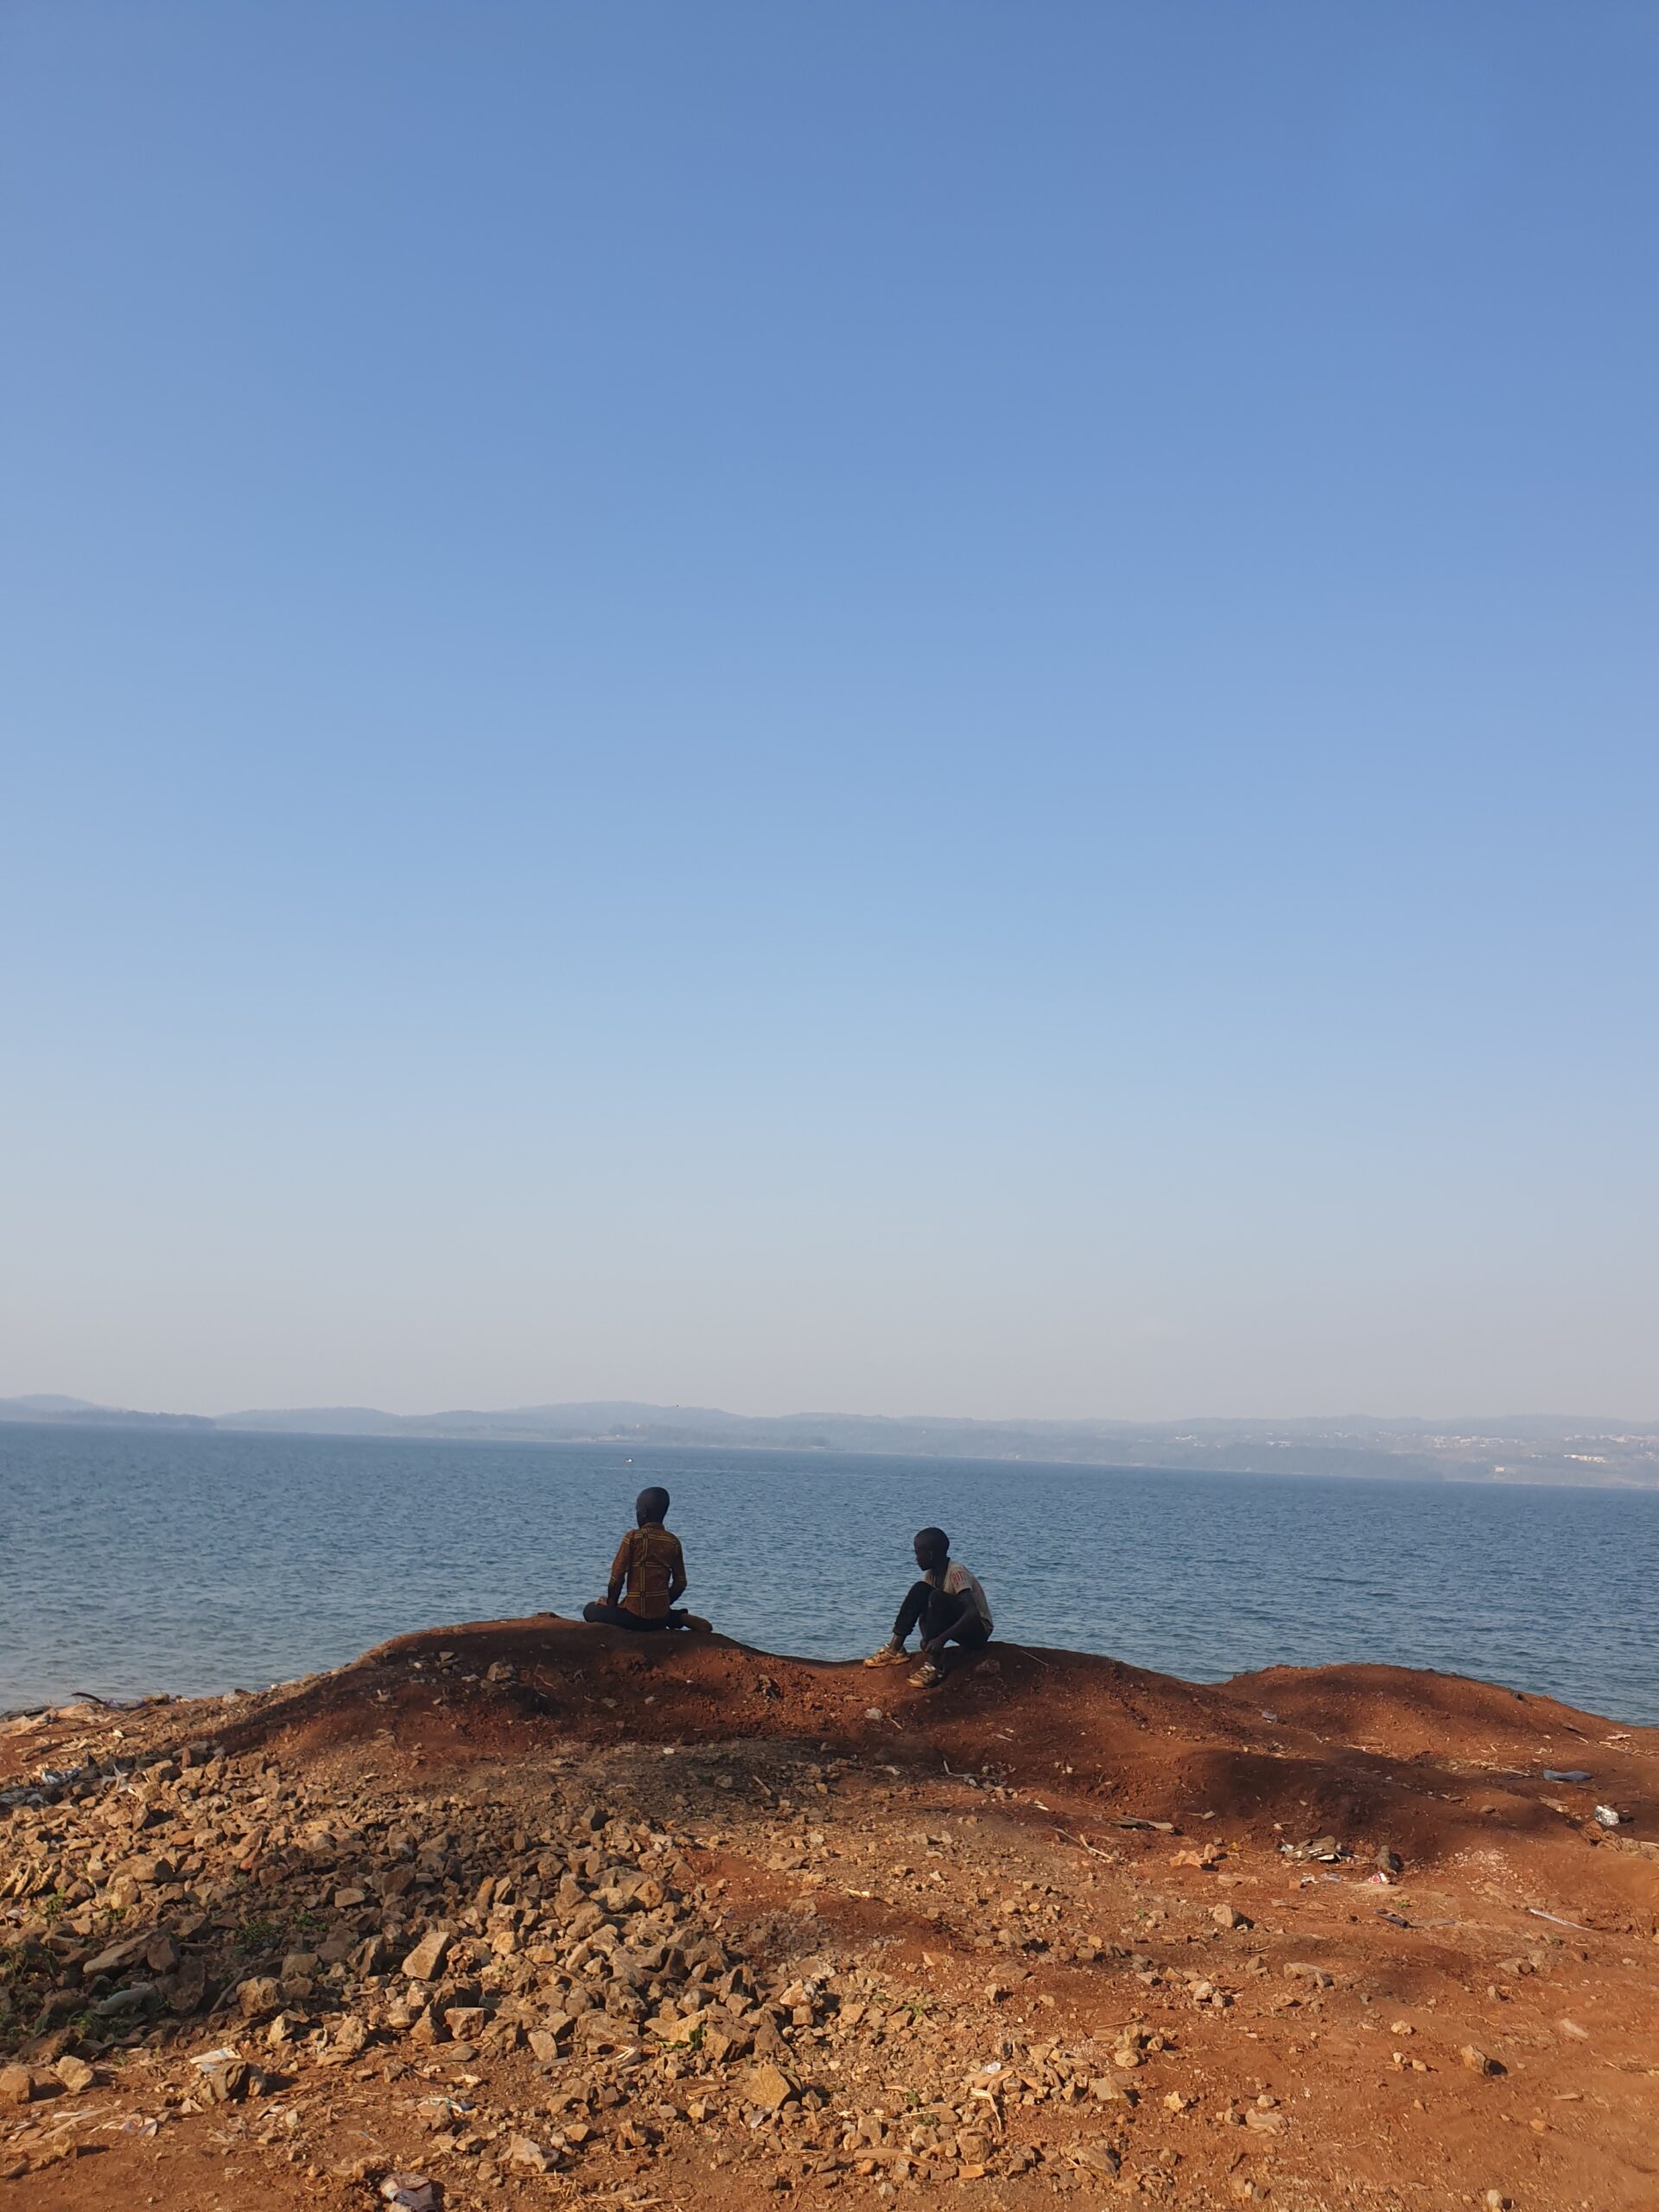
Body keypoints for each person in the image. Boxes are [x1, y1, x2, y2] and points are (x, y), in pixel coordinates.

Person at [863, 1525, 992, 1686]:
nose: (916, 1558)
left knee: (936, 1596)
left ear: (930, 1555)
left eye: (918, 1553)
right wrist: (927, 1636)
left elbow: (972, 1613)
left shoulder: (956, 1572)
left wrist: (941, 1639)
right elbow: (924, 1610)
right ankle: (895, 1647)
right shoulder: (930, 1576)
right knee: (920, 1590)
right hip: (954, 1623)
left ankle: (935, 1666)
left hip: (977, 1631)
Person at [582, 1486, 711, 1633]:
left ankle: (675, 1617)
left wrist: (611, 1603)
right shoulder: (673, 1541)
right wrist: (662, 1604)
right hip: (660, 1619)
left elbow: (617, 1576)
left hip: (634, 1618)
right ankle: (679, 1617)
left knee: (590, 1610)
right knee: (658, 1613)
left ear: (643, 1512)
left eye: (637, 1510)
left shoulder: (633, 1537)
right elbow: (680, 1583)